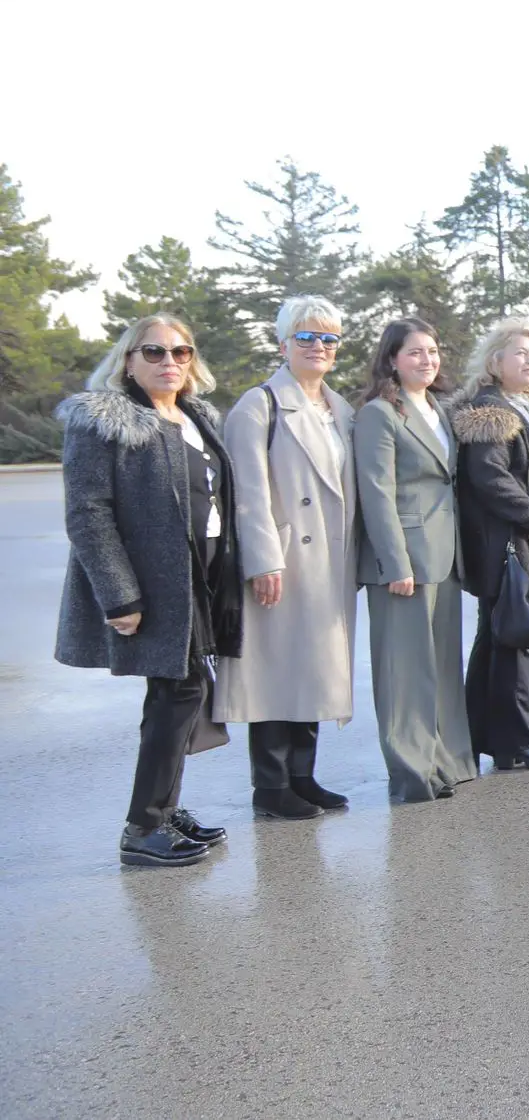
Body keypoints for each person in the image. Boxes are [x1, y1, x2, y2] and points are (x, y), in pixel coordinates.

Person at [57, 315, 242, 866]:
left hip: (201, 571)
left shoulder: (196, 416)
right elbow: (87, 513)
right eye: (154, 352)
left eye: (181, 352)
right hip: (151, 583)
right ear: (128, 361)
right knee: (179, 692)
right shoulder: (103, 421)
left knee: (176, 694)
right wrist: (120, 596)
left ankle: (165, 810)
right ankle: (144, 829)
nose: (169, 363)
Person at [217, 296, 358, 819]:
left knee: (313, 667)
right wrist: (263, 559)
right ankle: (271, 787)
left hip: (329, 558)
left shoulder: (338, 409)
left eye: (328, 338)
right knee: (274, 669)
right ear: (283, 344)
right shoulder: (259, 404)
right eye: (306, 337)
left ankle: (303, 775)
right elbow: (247, 491)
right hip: (282, 558)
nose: (318, 347)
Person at [353, 318, 474, 802]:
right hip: (403, 560)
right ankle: (412, 773)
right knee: (404, 672)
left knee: (442, 665)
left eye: (433, 350)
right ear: (391, 359)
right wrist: (394, 562)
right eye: (415, 352)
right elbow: (376, 493)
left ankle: (449, 762)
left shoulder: (439, 409)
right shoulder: (379, 414)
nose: (428, 360)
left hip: (444, 552)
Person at [451, 316, 529, 772]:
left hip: (522, 540)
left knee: (498, 639)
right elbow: (490, 478)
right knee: (514, 640)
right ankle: (517, 740)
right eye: (521, 352)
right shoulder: (491, 411)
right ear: (495, 361)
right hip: (507, 543)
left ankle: (488, 738)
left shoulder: (521, 405)